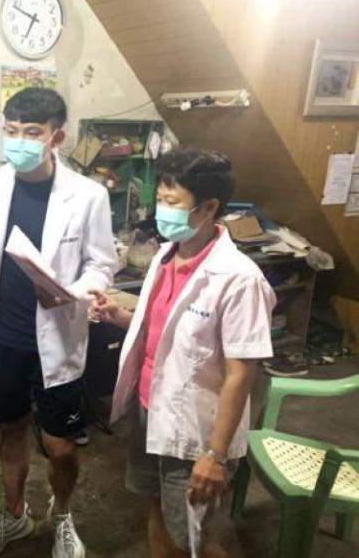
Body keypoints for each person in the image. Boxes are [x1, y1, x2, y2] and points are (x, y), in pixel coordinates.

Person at [90, 148, 276, 558]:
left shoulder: (240, 280)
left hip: (196, 430)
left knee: (196, 536)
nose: (161, 209)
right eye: (160, 198)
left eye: (172, 201)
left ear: (208, 208)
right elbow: (166, 332)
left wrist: (215, 455)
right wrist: (120, 316)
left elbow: (240, 374)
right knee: (157, 510)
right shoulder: (167, 255)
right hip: (148, 409)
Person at [0, 87, 117, 558]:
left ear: (57, 137)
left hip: (57, 338)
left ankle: (62, 514)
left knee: (61, 446)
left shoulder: (88, 196)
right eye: (11, 131)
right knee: (10, 429)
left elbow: (101, 263)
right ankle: (14, 515)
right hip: (3, 335)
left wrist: (74, 291)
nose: (19, 141)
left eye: (32, 132)